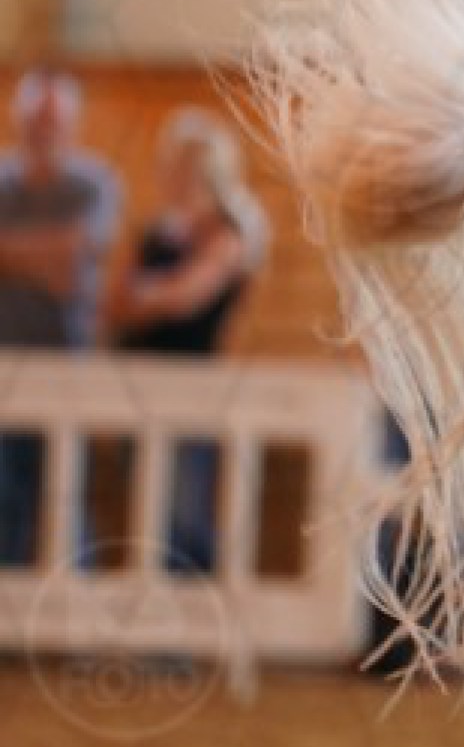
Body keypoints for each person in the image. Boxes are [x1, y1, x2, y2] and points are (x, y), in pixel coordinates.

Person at [106, 107, 268, 574]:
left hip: (192, 389)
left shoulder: (229, 232)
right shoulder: (158, 231)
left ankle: (194, 608)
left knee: (184, 515)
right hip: (137, 383)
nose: (174, 175)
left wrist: (147, 295)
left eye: (184, 165)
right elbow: (115, 301)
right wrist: (146, 297)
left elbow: (185, 297)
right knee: (144, 512)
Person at [0, 69, 123, 565]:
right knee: (5, 501)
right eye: (36, 118)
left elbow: (78, 259)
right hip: (4, 372)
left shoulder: (93, 183)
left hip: (67, 368)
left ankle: (71, 609)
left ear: (72, 123)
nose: (44, 129)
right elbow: (64, 258)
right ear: (18, 119)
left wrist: (11, 256)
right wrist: (49, 258)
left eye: (53, 119)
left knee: (64, 502)